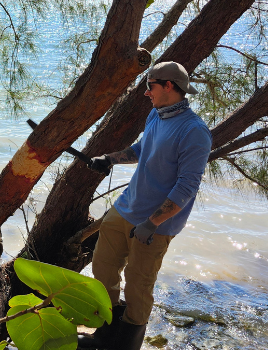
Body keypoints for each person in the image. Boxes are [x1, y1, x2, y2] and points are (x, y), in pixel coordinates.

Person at [79, 62, 211, 349]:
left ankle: (127, 343)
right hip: (126, 207)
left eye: (150, 86)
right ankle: (105, 331)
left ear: (168, 86)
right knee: (102, 268)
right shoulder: (156, 115)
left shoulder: (194, 131)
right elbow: (141, 149)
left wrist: (152, 223)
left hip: (154, 224)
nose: (145, 93)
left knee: (138, 287)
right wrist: (109, 158)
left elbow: (187, 187)